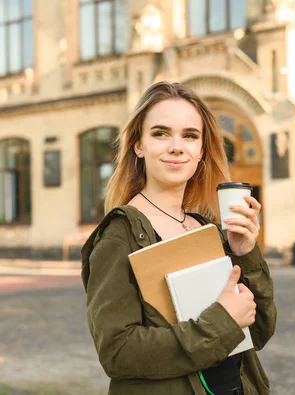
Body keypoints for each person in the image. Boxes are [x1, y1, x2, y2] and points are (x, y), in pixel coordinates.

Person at [81, 81, 276, 395]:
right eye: (160, 133)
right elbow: (118, 353)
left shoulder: (206, 229)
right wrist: (222, 321)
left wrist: (244, 252)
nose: (176, 146)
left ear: (201, 151)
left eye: (190, 135)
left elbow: (260, 330)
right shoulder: (120, 236)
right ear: (138, 146)